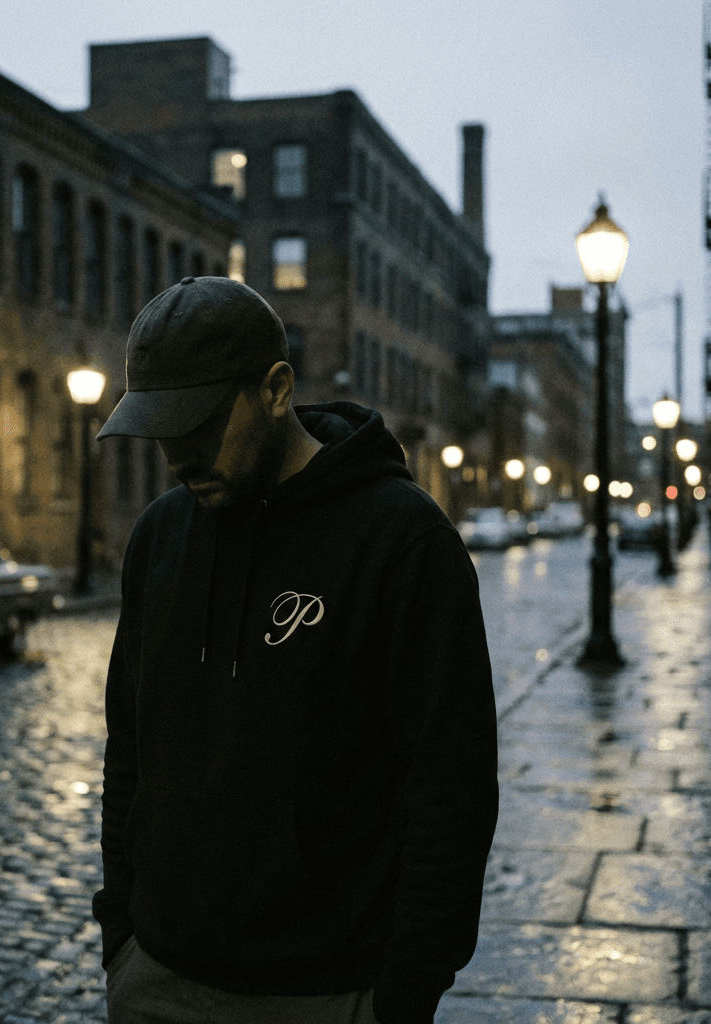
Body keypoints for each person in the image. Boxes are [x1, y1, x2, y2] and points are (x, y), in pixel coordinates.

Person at [92, 276, 498, 1024]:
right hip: (157, 978)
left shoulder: (403, 542)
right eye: (160, 428)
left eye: (200, 422)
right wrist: (121, 936)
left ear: (276, 390)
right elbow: (131, 757)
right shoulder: (158, 538)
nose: (177, 453)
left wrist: (399, 998)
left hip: (327, 992)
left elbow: (451, 794)